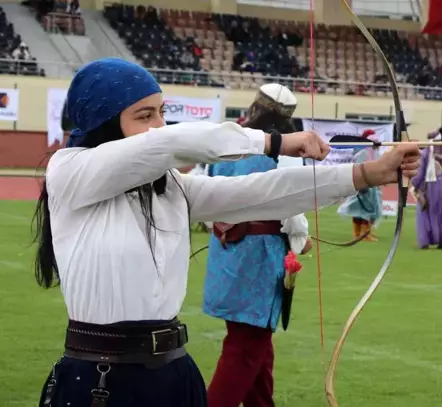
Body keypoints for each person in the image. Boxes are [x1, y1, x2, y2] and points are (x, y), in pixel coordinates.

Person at [31, 58, 421, 407]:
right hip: (102, 378)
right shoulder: (69, 171)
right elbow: (169, 143)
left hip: (172, 374)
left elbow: (258, 194)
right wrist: (273, 140)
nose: (158, 125)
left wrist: (369, 173)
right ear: (104, 119)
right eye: (144, 114)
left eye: (161, 112)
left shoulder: (169, 187)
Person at [203, 83, 311, 407]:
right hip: (259, 261)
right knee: (245, 350)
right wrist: (299, 240)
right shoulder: (284, 151)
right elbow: (293, 211)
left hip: (225, 255)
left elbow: (206, 198)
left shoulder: (229, 142)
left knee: (255, 349)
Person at [411, 131, 442, 250]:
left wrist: (415, 185)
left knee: (425, 211)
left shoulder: (425, 153)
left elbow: (420, 173)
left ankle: (425, 240)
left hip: (427, 186)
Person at [338, 129, 383, 242]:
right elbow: (359, 168)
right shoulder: (362, 152)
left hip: (371, 186)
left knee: (365, 210)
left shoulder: (374, 152)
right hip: (363, 186)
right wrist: (361, 184)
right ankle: (360, 234)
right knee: (361, 210)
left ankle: (363, 233)